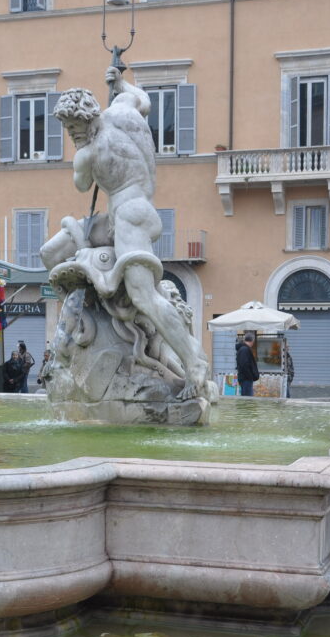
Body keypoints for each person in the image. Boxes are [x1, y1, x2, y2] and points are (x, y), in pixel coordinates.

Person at [47, 68, 209, 400]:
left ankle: (194, 364)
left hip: (129, 214)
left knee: (143, 296)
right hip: (134, 209)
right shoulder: (122, 109)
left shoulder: (87, 153)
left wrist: (83, 153)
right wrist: (119, 84)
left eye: (73, 129)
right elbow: (142, 98)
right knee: (51, 253)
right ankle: (78, 337)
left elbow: (81, 185)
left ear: (87, 121)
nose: (71, 135)